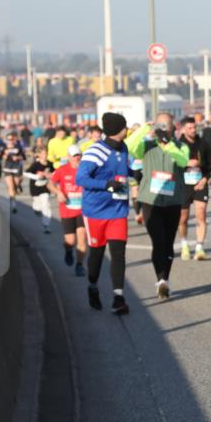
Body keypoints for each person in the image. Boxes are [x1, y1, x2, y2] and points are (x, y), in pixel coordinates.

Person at [125, 113, 190, 299]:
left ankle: (165, 279)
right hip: (150, 201)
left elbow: (183, 162)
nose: (163, 129)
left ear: (173, 128)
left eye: (166, 126)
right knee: (158, 240)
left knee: (168, 243)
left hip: (173, 201)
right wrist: (145, 128)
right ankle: (160, 279)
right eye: (160, 126)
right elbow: (128, 147)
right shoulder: (147, 146)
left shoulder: (181, 147)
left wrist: (168, 144)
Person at [76, 112, 132, 314]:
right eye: (125, 127)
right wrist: (106, 185)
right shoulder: (95, 151)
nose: (127, 130)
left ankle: (118, 297)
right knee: (97, 254)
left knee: (118, 254)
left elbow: (124, 169)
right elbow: (81, 179)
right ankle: (93, 286)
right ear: (118, 129)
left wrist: (135, 173)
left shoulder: (124, 148)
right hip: (96, 212)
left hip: (118, 210)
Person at [176, 116, 211, 261]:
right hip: (183, 185)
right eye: (189, 128)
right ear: (183, 129)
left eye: (194, 127)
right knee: (183, 218)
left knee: (201, 214)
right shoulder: (178, 145)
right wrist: (186, 163)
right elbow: (173, 165)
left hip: (200, 184)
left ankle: (199, 248)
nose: (193, 130)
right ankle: (184, 244)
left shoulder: (204, 144)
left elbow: (209, 165)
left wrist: (205, 179)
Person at [49, 145, 88, 277]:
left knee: (82, 238)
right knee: (70, 241)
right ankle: (68, 250)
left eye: (79, 155)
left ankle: (80, 265)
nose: (77, 157)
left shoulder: (86, 169)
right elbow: (50, 183)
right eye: (74, 155)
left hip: (83, 210)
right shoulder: (62, 170)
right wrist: (58, 192)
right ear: (69, 157)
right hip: (67, 209)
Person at [24, 146, 53, 234]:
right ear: (39, 155)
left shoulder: (49, 164)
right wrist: (37, 176)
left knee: (46, 204)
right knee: (37, 206)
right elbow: (25, 173)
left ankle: (46, 225)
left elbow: (55, 173)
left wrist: (50, 175)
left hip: (45, 187)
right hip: (35, 188)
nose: (45, 155)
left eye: (46, 154)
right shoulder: (35, 164)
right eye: (43, 154)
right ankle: (36, 209)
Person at [3, 131, 26, 211]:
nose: (10, 141)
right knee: (11, 186)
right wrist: (5, 155)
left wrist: (18, 158)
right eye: (8, 139)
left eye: (11, 139)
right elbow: (1, 157)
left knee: (16, 184)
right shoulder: (4, 147)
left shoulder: (18, 146)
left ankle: (18, 186)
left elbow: (24, 157)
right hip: (7, 167)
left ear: (14, 139)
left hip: (16, 167)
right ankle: (13, 204)